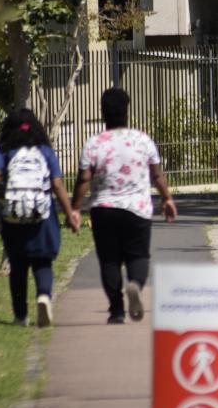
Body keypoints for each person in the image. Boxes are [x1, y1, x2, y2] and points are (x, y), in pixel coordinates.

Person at [71, 87, 177, 324]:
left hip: (103, 210)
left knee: (109, 260)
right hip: (137, 210)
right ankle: (135, 285)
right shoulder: (142, 141)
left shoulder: (94, 143)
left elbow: (84, 179)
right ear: (127, 111)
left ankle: (116, 310)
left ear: (103, 112)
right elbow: (157, 175)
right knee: (138, 256)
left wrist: (75, 209)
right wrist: (167, 199)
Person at [0, 108, 79, 327]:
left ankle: (20, 316)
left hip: (13, 217)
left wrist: (4, 187)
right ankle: (44, 296)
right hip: (42, 216)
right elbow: (57, 184)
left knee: (17, 266)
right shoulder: (45, 151)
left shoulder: (4, 149)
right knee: (42, 261)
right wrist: (70, 213)